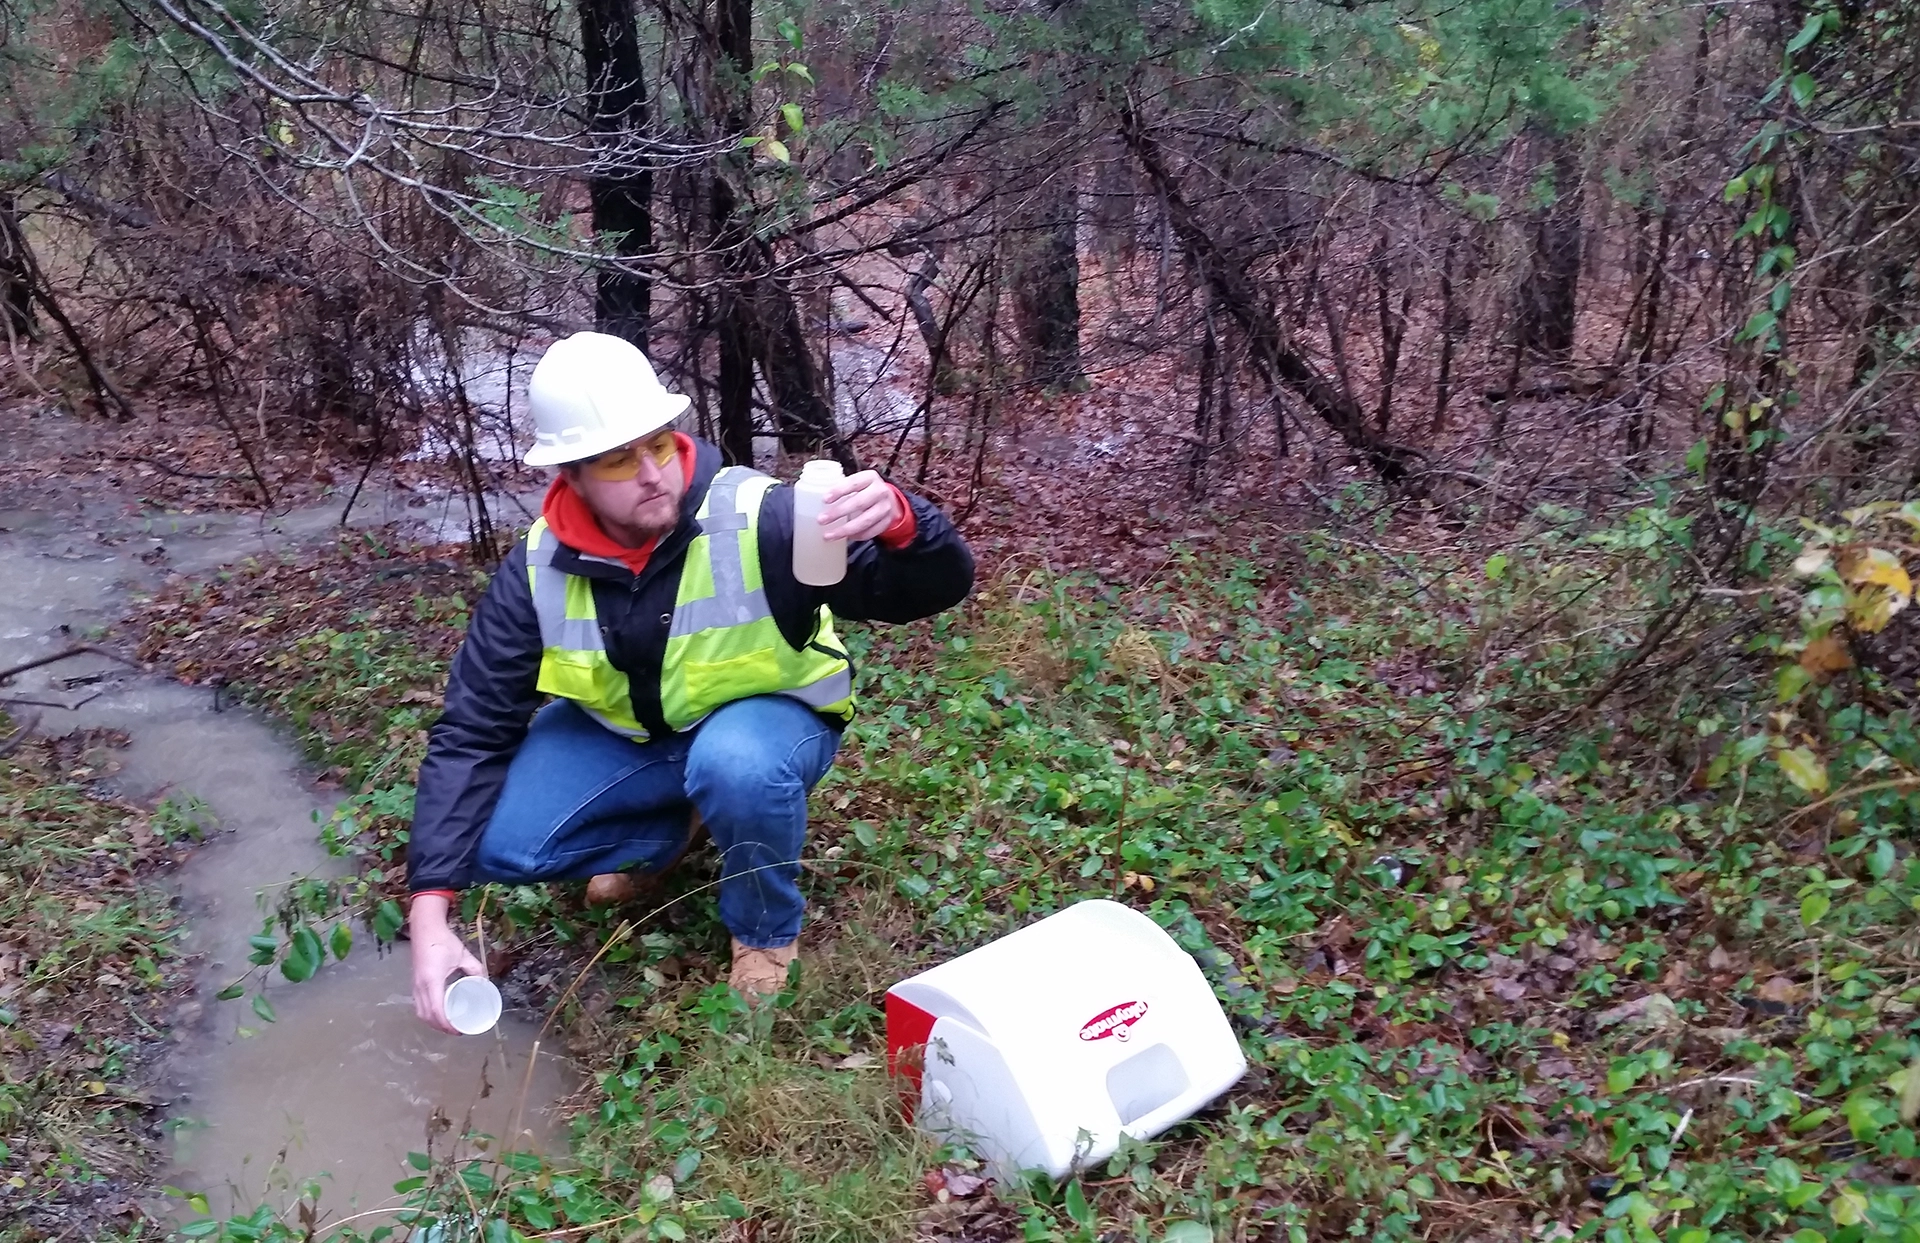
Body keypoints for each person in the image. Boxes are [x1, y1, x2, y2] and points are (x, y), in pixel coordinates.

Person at [404, 332, 974, 1033]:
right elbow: (473, 726)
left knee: (735, 764)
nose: (652, 472)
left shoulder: (762, 515)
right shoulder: (535, 569)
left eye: (659, 441)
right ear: (570, 475)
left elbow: (921, 591)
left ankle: (764, 931)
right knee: (493, 838)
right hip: (638, 737)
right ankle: (672, 835)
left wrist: (907, 525)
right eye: (618, 457)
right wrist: (429, 909)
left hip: (771, 724)